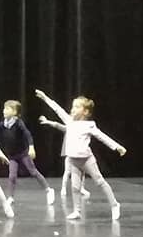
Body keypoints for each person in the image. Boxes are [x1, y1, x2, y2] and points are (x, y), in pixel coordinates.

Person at [35, 89, 126, 221]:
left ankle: (114, 204)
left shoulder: (89, 125)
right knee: (75, 187)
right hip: (73, 160)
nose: (73, 109)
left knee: (100, 182)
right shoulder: (69, 121)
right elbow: (57, 109)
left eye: (77, 107)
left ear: (86, 112)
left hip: (87, 160)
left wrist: (117, 146)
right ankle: (77, 211)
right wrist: (44, 98)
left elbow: (102, 137)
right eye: (73, 106)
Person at [0, 99, 54, 205]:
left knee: (33, 172)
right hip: (12, 156)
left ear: (15, 112)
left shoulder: (18, 123)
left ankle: (48, 190)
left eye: (7, 109)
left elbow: (27, 134)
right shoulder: (4, 124)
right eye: (4, 108)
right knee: (12, 176)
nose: (4, 111)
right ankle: (11, 197)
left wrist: (31, 147)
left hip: (23, 154)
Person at [38, 117, 90, 200]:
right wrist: (47, 121)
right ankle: (63, 188)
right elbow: (57, 125)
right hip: (70, 154)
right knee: (67, 172)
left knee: (82, 172)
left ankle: (82, 188)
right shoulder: (70, 128)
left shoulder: (81, 129)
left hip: (80, 154)